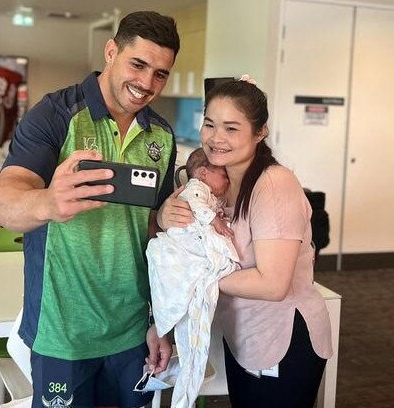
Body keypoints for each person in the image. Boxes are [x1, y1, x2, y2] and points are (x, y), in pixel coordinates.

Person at [0, 11, 180, 408]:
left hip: (132, 333)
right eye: (138, 64)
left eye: (160, 74)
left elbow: (155, 233)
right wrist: (46, 200)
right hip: (63, 333)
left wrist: (159, 320)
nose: (147, 83)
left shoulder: (160, 134)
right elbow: (3, 204)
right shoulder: (56, 115)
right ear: (111, 51)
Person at [158, 76, 333, 407]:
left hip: (281, 338)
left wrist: (196, 279)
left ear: (260, 132)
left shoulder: (273, 186)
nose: (216, 138)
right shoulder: (220, 185)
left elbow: (273, 284)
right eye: (209, 125)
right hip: (245, 334)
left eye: (231, 128)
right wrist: (167, 216)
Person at [146, 147, 239, 408]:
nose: (228, 180)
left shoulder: (207, 193)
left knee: (193, 344)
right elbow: (198, 207)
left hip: (188, 249)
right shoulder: (197, 188)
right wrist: (215, 222)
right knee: (193, 342)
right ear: (203, 173)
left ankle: (184, 396)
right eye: (224, 174)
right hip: (180, 247)